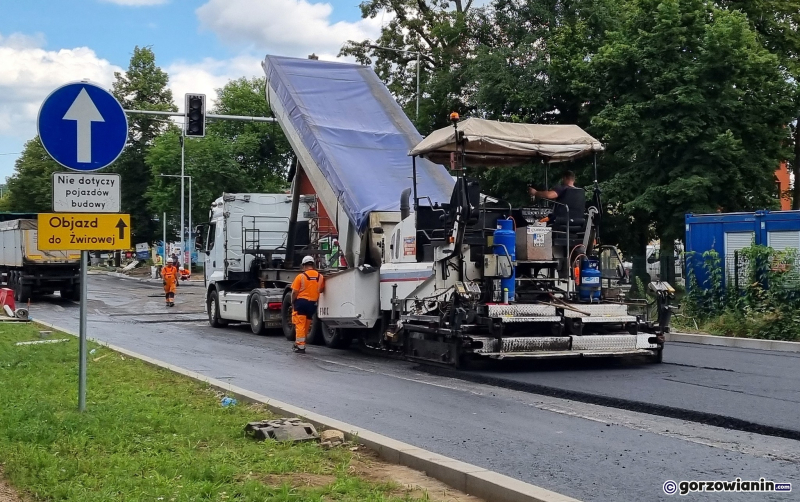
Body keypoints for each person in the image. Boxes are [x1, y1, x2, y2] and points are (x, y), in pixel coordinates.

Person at [290, 256, 325, 354]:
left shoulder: (300, 277)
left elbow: (294, 292)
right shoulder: (320, 277)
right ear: (313, 265)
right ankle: (301, 343)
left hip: (301, 303)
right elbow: (321, 289)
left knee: (300, 324)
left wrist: (293, 301)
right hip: (312, 304)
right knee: (306, 324)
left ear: (304, 265)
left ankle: (300, 346)